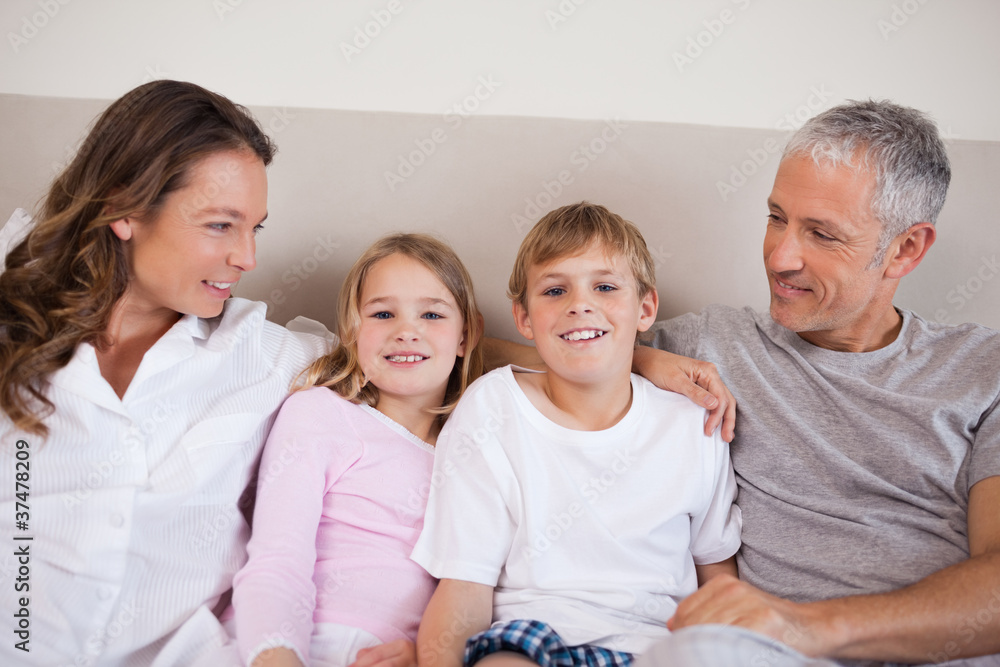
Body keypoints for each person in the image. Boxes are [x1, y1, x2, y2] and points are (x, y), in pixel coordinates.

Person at [632, 100, 1000, 666]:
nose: (780, 258)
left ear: (905, 249)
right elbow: (489, 360)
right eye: (777, 217)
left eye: (821, 234)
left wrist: (804, 625)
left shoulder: (984, 371)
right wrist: (635, 361)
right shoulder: (714, 347)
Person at [0, 80, 331, 666]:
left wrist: (549, 326)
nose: (247, 257)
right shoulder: (13, 320)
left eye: (255, 227)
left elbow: (421, 346)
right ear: (124, 208)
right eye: (220, 225)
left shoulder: (266, 357)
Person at [411, 202, 742, 667]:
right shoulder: (492, 408)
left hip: (658, 646)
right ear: (524, 319)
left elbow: (718, 575)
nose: (580, 304)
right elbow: (464, 587)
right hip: (531, 637)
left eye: (605, 286)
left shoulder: (693, 423)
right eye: (554, 290)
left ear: (645, 308)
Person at [231, 233, 485, 667]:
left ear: (465, 336)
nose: (407, 331)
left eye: (432, 314)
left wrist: (424, 654)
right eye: (383, 313)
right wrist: (280, 656)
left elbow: (471, 588)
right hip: (301, 643)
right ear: (352, 331)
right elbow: (277, 559)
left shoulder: (476, 453)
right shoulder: (321, 414)